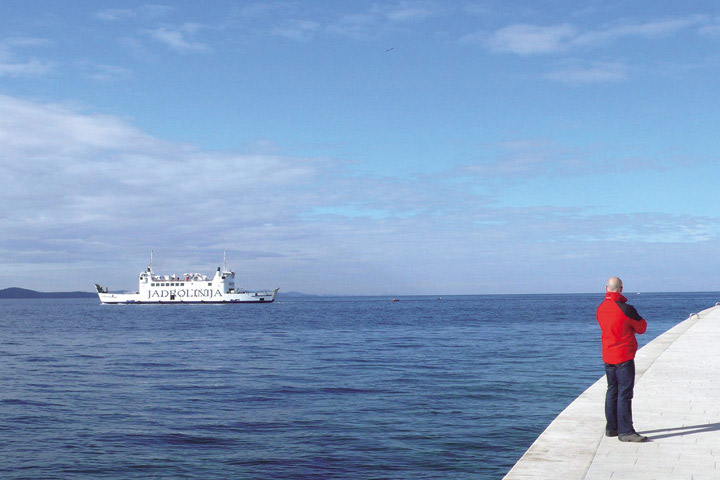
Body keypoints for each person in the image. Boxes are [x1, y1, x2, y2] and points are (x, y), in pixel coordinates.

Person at [596, 277, 648, 443]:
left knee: (612, 390)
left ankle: (612, 427)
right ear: (621, 289)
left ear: (606, 288)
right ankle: (625, 431)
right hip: (623, 355)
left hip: (608, 355)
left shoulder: (601, 308)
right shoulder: (626, 309)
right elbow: (642, 327)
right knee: (625, 392)